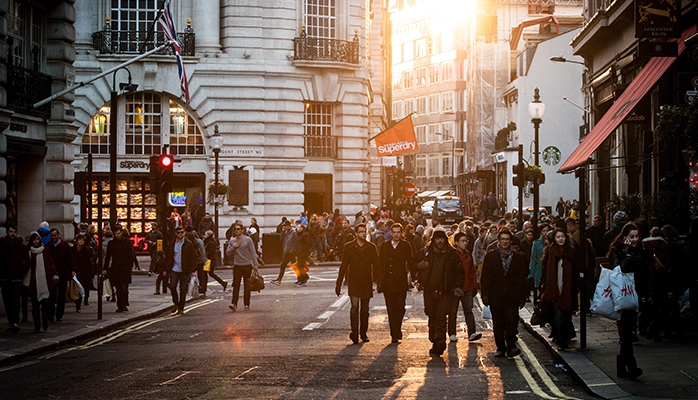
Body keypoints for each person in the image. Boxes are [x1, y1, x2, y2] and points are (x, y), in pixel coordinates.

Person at [415, 227, 464, 356]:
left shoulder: (452, 254)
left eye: (442, 238)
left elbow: (459, 272)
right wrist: (419, 268)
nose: (440, 241)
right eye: (437, 238)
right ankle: (434, 340)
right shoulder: (426, 252)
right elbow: (415, 264)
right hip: (430, 290)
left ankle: (440, 340)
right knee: (431, 315)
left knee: (441, 317)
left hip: (445, 291)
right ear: (433, 239)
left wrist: (458, 286)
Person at [480, 228, 529, 358]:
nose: (505, 242)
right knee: (498, 323)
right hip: (496, 295)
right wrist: (484, 293)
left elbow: (521, 278)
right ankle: (501, 348)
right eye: (502, 239)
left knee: (512, 321)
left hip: (512, 295)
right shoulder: (491, 256)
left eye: (507, 239)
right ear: (498, 241)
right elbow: (485, 276)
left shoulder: (518, 257)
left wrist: (523, 296)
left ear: (511, 241)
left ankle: (511, 347)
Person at [608, 222, 648, 380]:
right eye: (631, 237)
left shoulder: (641, 250)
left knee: (628, 331)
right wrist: (627, 253)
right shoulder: (617, 250)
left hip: (635, 294)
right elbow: (618, 270)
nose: (635, 240)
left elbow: (643, 274)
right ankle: (631, 366)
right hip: (622, 294)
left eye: (637, 236)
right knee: (627, 331)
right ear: (624, 237)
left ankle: (622, 367)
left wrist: (645, 293)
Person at [335, 223, 381, 344]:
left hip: (366, 280)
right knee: (354, 307)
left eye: (364, 231)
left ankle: (363, 333)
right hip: (354, 281)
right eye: (360, 232)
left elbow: (377, 265)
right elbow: (344, 265)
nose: (363, 233)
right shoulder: (349, 247)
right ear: (356, 234)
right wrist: (338, 283)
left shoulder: (371, 247)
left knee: (365, 309)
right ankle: (354, 332)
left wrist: (379, 281)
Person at [378, 223, 416, 344]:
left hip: (400, 281)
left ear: (402, 233)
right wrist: (379, 279)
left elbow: (410, 262)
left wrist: (415, 278)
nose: (396, 234)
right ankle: (394, 333)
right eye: (394, 232)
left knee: (400, 308)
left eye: (398, 232)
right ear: (391, 233)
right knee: (391, 308)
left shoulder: (406, 245)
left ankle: (397, 328)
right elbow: (380, 263)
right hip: (388, 281)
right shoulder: (384, 245)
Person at [540, 228, 577, 350]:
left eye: (562, 236)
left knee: (567, 315)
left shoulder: (571, 252)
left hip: (568, 288)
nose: (561, 239)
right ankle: (561, 341)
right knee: (558, 315)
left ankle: (563, 337)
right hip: (554, 288)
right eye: (558, 237)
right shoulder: (551, 252)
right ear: (554, 239)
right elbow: (545, 271)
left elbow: (576, 271)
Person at [449, 232, 482, 343]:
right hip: (455, 288)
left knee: (469, 310)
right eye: (462, 241)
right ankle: (452, 333)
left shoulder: (468, 255)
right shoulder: (452, 255)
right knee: (452, 312)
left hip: (467, 288)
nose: (465, 243)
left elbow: (472, 272)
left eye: (466, 241)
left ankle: (472, 333)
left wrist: (474, 285)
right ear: (456, 243)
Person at [24, 231, 59, 332]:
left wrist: (55, 273)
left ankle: (44, 321)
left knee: (45, 303)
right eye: (34, 239)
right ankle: (37, 325)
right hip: (32, 281)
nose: (36, 241)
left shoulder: (45, 250)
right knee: (35, 305)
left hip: (44, 279)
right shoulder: (28, 251)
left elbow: (50, 262)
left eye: (37, 239)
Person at [0, 225, 29, 333]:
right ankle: (10, 321)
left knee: (15, 301)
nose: (13, 234)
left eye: (14, 232)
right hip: (4, 278)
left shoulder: (21, 246)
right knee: (7, 302)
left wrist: (20, 271)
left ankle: (15, 322)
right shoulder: (1, 245)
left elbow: (27, 261)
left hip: (16, 278)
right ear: (7, 232)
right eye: (11, 232)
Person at [226, 222, 259, 311]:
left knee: (247, 286)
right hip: (237, 266)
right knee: (236, 285)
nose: (236, 231)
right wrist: (234, 247)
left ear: (242, 230)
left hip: (247, 265)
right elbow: (228, 252)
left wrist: (255, 264)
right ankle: (234, 304)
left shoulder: (248, 240)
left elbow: (253, 252)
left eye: (238, 229)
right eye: (235, 229)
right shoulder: (232, 241)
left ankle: (246, 304)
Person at [166, 226, 197, 315]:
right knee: (172, 286)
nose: (180, 234)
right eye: (178, 232)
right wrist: (166, 269)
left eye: (182, 232)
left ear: (184, 233)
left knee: (183, 290)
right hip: (174, 269)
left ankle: (181, 308)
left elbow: (192, 257)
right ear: (176, 233)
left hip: (184, 270)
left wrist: (193, 270)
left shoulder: (189, 244)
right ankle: (176, 303)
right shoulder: (172, 243)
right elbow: (169, 257)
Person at [103, 225, 134, 312]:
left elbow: (131, 255)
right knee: (118, 288)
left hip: (125, 268)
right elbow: (108, 257)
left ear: (121, 232)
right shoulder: (111, 244)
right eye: (116, 234)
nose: (117, 235)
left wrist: (130, 266)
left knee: (124, 287)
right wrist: (105, 268)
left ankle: (124, 303)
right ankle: (120, 305)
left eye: (119, 233)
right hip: (116, 268)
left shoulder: (127, 242)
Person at [47, 228, 76, 322]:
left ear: (58, 234)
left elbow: (71, 258)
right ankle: (51, 314)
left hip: (63, 273)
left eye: (55, 235)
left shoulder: (65, 246)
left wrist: (72, 269)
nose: (53, 237)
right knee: (52, 295)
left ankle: (59, 315)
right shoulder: (48, 246)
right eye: (52, 236)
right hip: (52, 274)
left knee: (61, 295)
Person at [270, 220, 297, 285]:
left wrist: (292, 251)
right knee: (283, 265)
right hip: (286, 252)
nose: (283, 227)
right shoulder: (286, 232)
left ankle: (302, 278)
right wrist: (282, 231)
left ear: (288, 225)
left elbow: (295, 242)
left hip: (291, 252)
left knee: (294, 266)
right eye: (283, 226)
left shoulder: (293, 232)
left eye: (285, 226)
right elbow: (281, 238)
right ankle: (279, 280)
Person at [72, 234, 94, 310]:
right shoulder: (73, 250)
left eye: (83, 240)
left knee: (85, 286)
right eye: (80, 240)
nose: (81, 242)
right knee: (77, 287)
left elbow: (89, 263)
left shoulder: (87, 250)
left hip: (85, 271)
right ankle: (78, 303)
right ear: (77, 241)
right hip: (76, 271)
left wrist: (91, 275)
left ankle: (85, 299)